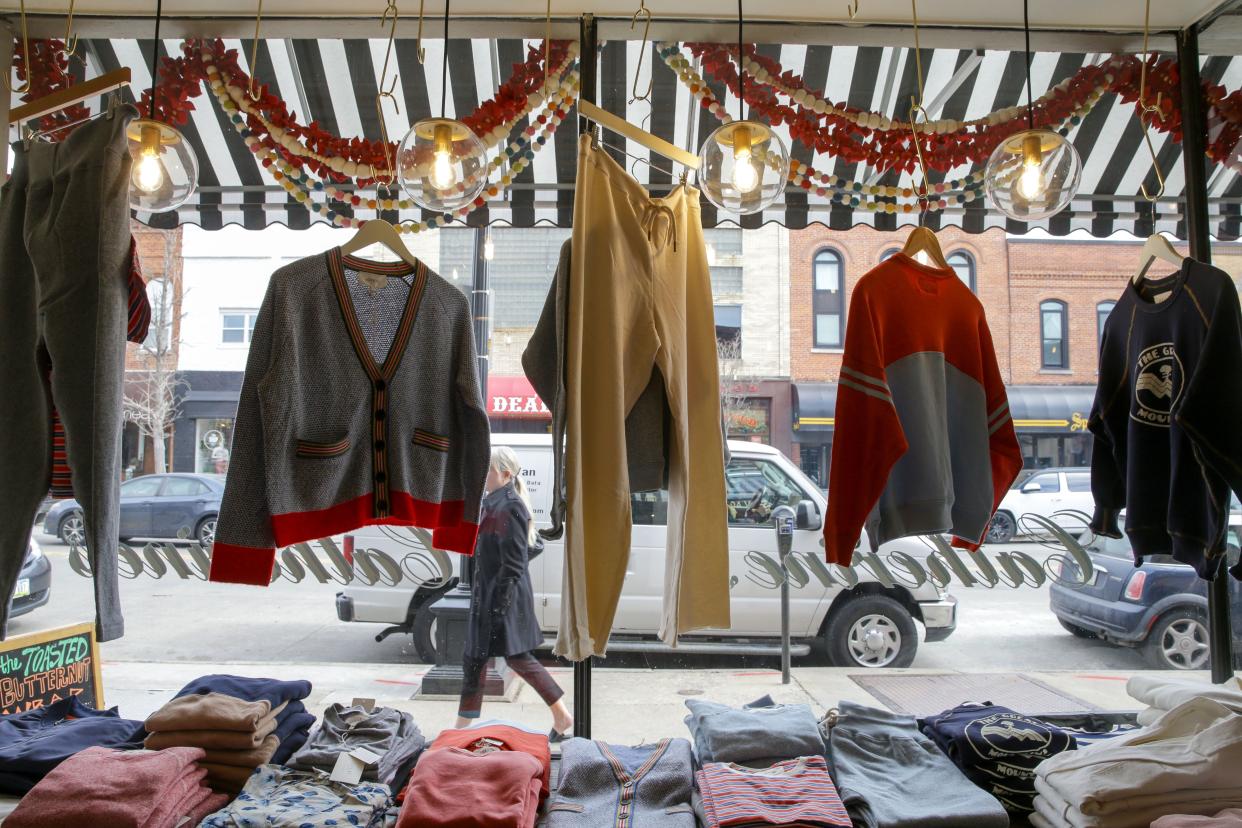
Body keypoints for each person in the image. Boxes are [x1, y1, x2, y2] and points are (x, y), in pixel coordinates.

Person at [457, 446, 573, 740]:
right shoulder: (495, 503)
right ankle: (460, 728)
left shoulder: (509, 506)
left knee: (514, 658)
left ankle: (561, 715)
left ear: (505, 474)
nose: (484, 475)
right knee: (476, 658)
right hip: (492, 596)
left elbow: (515, 562)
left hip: (501, 599)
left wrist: (499, 604)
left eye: (490, 470)